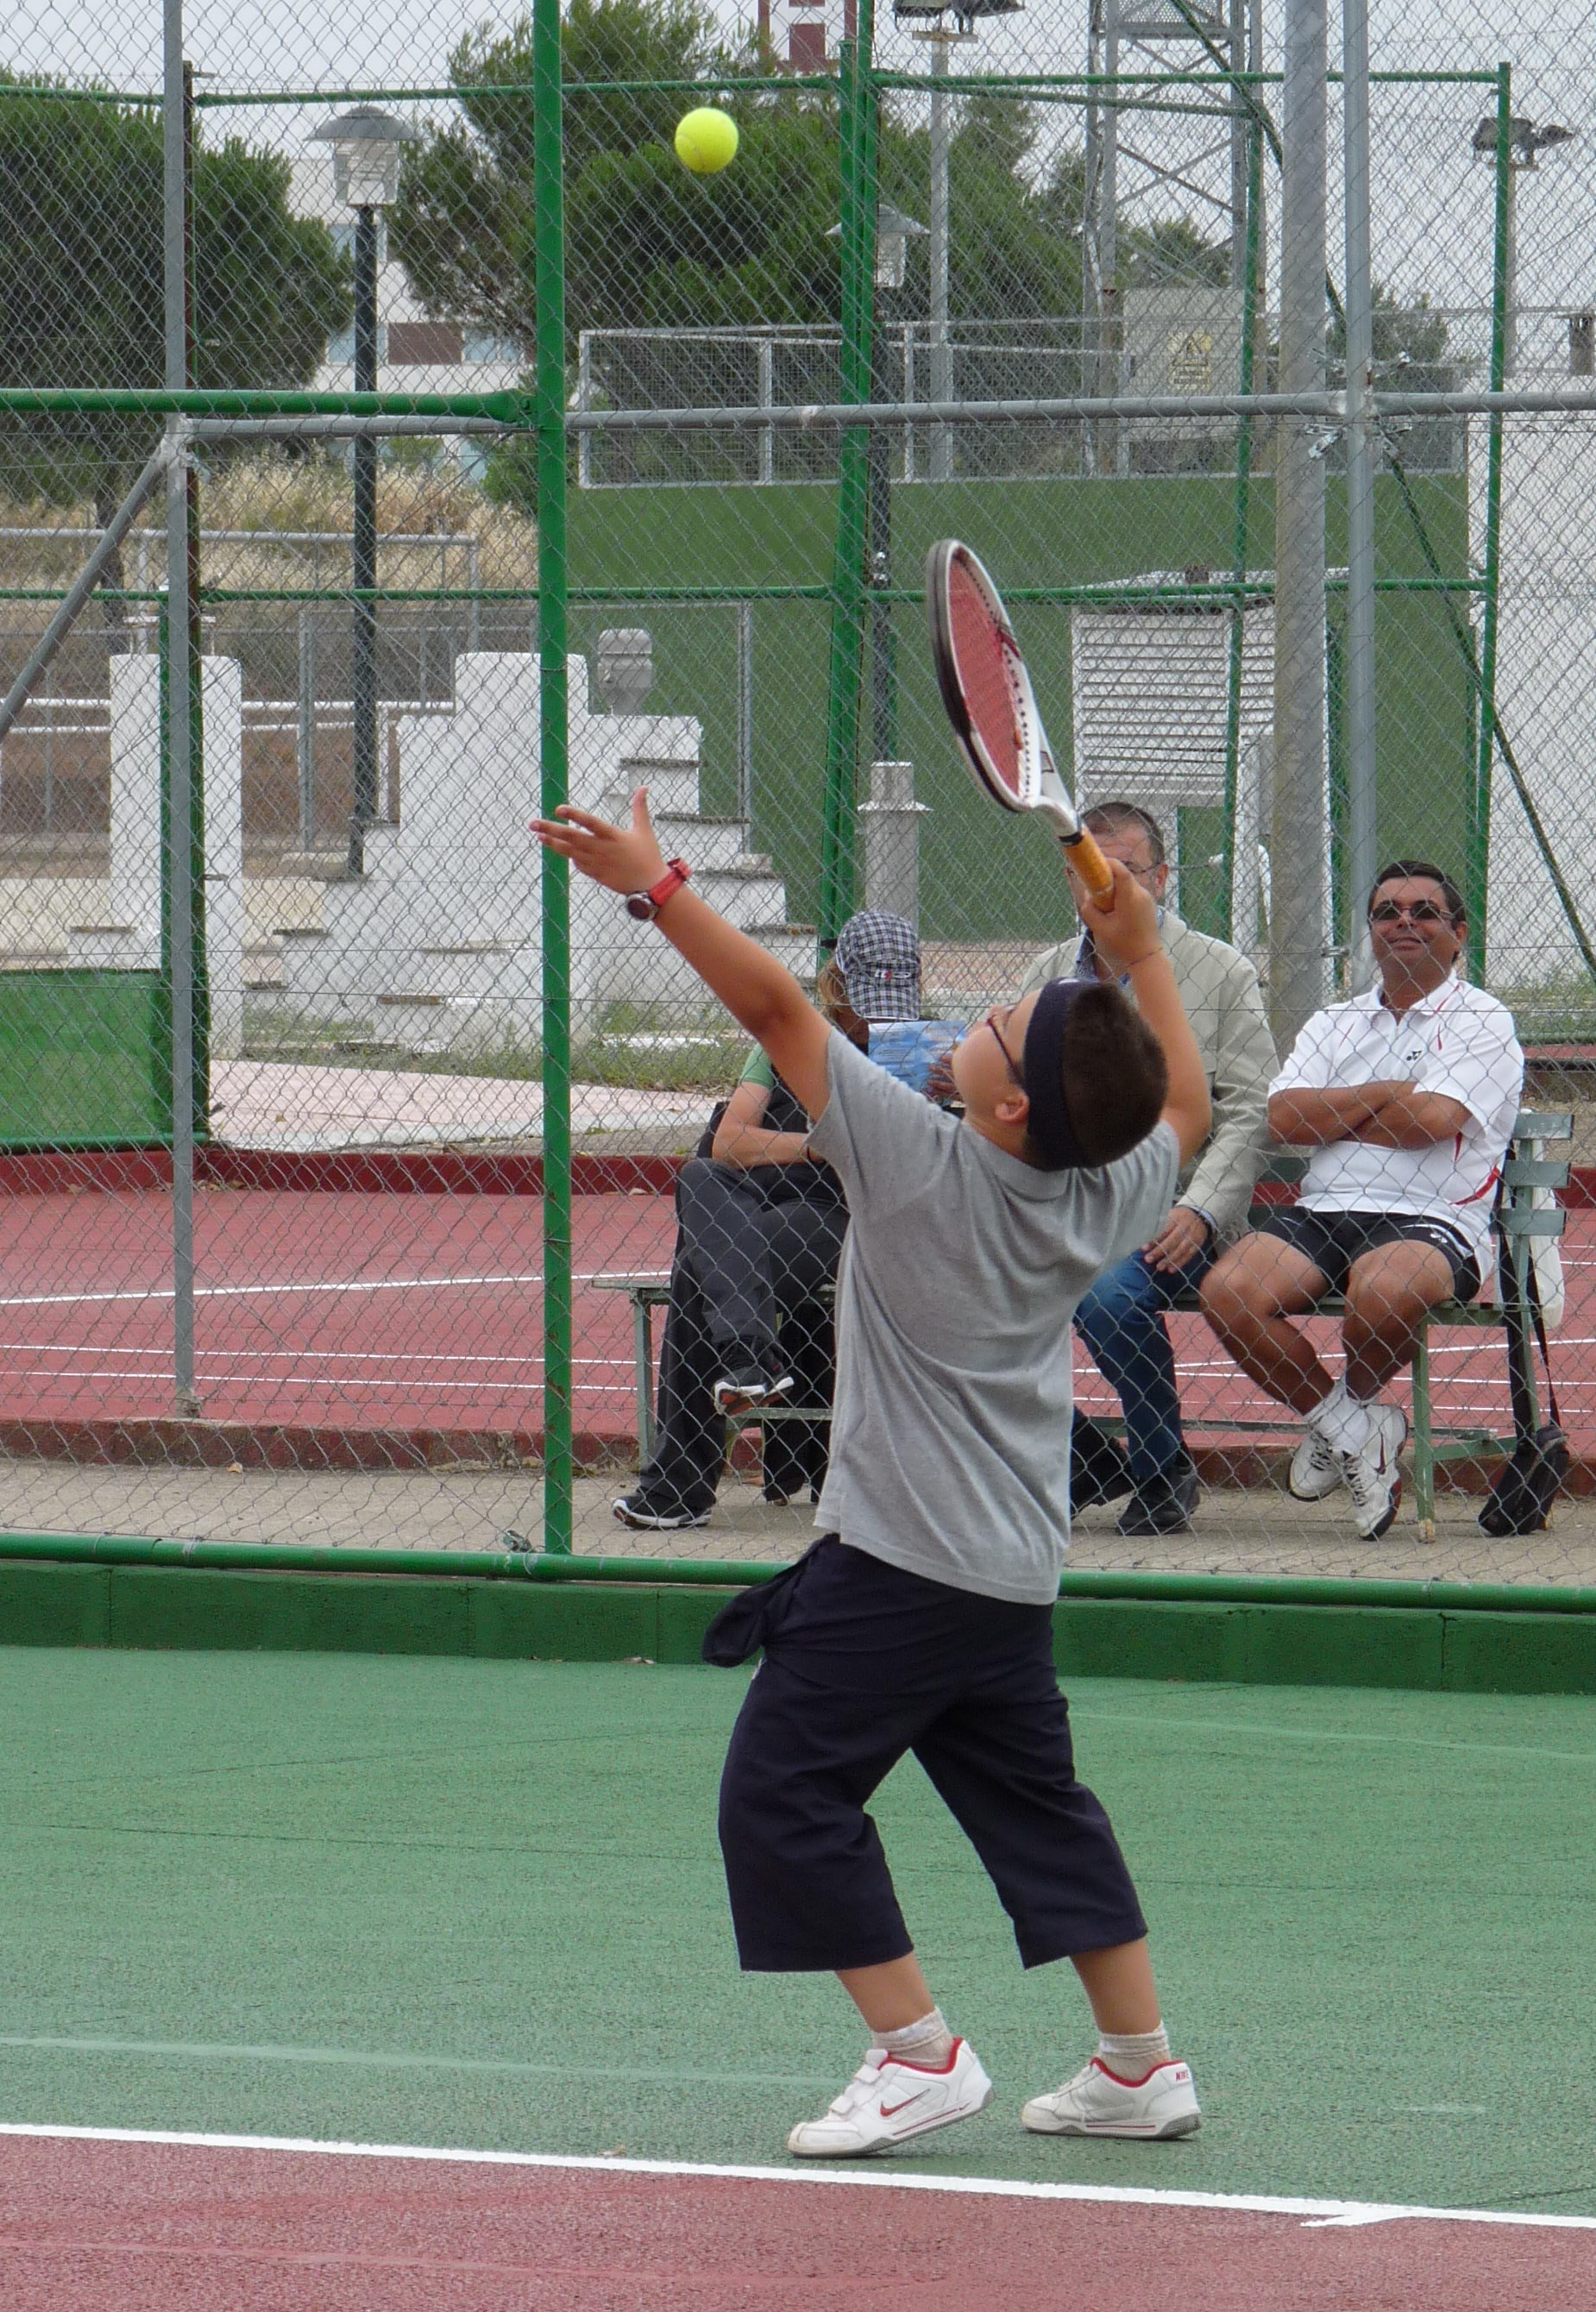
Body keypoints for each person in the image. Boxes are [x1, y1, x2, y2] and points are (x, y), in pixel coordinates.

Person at [534, 783, 1213, 2163]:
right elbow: (1189, 1104)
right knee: (1037, 1811)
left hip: (898, 1569)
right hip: (1008, 1571)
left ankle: (919, 2054)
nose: (979, 1017)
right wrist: (1139, 947)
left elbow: (778, 1011)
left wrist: (658, 887)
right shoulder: (1106, 1188)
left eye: (998, 1024)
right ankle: (1140, 2066)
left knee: (780, 1796)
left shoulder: (922, 1163)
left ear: (1009, 1103)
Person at [1200, 859, 1524, 1542]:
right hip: (1323, 1210)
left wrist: (1337, 1113)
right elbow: (1283, 1119)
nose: (1404, 922)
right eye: (1387, 912)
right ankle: (1351, 1428)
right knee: (1228, 1291)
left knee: (1379, 1293)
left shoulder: (1484, 1019)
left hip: (1435, 1219)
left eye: (1424, 912)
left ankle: (1342, 1420)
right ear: (1371, 932)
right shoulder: (1334, 1022)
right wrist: (1387, 1095)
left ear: (1459, 932)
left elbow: (1433, 1122)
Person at [613, 914, 923, 1534]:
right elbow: (729, 1144)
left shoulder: (929, 1054)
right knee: (701, 1179)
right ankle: (747, 1359)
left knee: (699, 1269)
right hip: (758, 1200)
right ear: (837, 985)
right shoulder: (788, 1039)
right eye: (865, 1005)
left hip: (840, 1214)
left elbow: (908, 1157)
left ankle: (685, 1476)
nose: (874, 1023)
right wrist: (821, 1143)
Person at [1021, 801, 1274, 1536]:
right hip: (1064, 1208)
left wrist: (1202, 1209)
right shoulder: (1046, 974)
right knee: (945, 1284)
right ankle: (1085, 1461)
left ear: (1160, 880)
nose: (1101, 886)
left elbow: (1251, 1111)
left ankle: (1162, 1470)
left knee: (1105, 1294)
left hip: (1174, 1215)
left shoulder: (1222, 972)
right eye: (1085, 871)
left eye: (1122, 871)